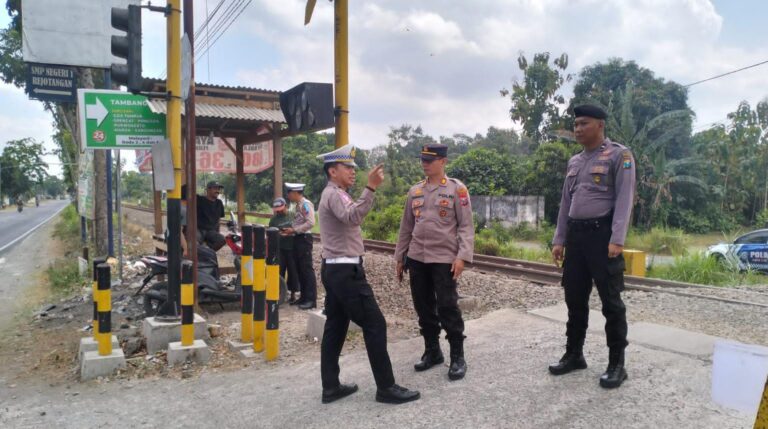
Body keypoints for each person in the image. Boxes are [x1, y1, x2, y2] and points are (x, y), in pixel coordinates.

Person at [316, 144, 420, 405]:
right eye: (347, 167)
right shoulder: (335, 195)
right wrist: (370, 187)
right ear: (332, 170)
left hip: (335, 268)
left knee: (336, 327)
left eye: (353, 168)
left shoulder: (335, 193)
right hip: (344, 271)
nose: (353, 172)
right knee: (375, 324)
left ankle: (331, 387)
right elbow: (353, 217)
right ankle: (386, 387)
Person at [549, 104, 636, 389]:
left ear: (600, 125)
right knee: (574, 299)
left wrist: (617, 238)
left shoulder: (619, 155)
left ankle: (616, 364)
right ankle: (574, 354)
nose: (577, 129)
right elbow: (565, 202)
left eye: (583, 124)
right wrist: (559, 239)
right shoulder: (575, 161)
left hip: (602, 237)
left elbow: (625, 197)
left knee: (611, 302)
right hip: (576, 237)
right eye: (575, 124)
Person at [394, 144, 474, 381]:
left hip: (444, 259)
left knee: (448, 306)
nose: (425, 164)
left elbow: (466, 226)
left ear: (443, 161)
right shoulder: (415, 191)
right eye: (423, 159)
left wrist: (462, 256)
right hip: (417, 258)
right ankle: (433, 351)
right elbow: (406, 227)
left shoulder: (456, 190)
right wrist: (400, 257)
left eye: (430, 160)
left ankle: (457, 356)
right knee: (423, 307)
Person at [281, 183, 318, 310]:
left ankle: (311, 300)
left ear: (296, 192)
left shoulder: (306, 204)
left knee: (306, 270)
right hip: (298, 238)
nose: (288, 195)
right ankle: (303, 297)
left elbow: (311, 222)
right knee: (300, 269)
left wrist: (294, 230)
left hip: (304, 239)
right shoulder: (298, 205)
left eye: (289, 192)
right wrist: (291, 231)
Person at [269, 197, 299, 303]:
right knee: (279, 270)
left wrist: (291, 232)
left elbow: (299, 228)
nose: (280, 211)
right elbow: (271, 234)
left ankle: (293, 294)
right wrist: (279, 235)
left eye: (281, 209)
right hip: (280, 248)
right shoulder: (273, 220)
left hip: (292, 247)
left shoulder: (293, 215)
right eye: (277, 210)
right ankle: (278, 292)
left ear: (286, 206)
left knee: (293, 271)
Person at [196, 181, 226, 251]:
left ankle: (209, 253)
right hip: (199, 229)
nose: (217, 191)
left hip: (211, 231)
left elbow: (218, 219)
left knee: (222, 240)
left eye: (218, 189)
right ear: (208, 189)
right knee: (194, 242)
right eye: (215, 188)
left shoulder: (219, 203)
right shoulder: (199, 199)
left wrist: (218, 231)